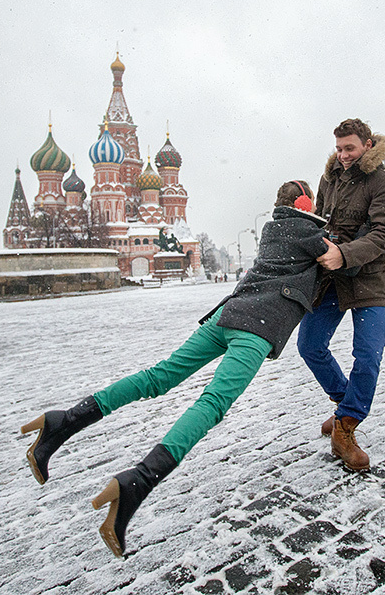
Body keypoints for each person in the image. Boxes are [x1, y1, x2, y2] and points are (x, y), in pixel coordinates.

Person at [20, 181, 328, 559]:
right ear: (303, 204)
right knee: (212, 403)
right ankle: (139, 480)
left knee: (159, 377)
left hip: (225, 316)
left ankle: (65, 421)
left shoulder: (271, 229)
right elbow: (344, 258)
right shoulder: (312, 236)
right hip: (257, 328)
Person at [297, 118, 385, 472]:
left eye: (350, 148)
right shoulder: (330, 178)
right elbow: (321, 223)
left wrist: (346, 253)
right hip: (333, 275)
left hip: (370, 276)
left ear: (367, 145)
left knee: (368, 354)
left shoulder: (382, 181)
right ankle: (345, 403)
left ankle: (346, 426)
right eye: (339, 148)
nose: (342, 155)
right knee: (310, 345)